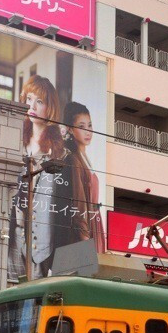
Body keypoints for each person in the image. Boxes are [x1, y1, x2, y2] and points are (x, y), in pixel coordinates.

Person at [7, 75, 71, 281]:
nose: (32, 106)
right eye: (29, 99)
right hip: (12, 241)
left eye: (39, 101)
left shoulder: (60, 153)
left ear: (49, 107)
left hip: (44, 249)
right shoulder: (14, 143)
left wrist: (62, 264)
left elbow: (68, 211)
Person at [63, 102, 105, 252]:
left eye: (90, 125)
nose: (88, 131)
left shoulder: (84, 156)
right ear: (70, 129)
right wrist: (84, 237)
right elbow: (78, 203)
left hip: (94, 223)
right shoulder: (74, 159)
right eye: (81, 127)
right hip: (85, 229)